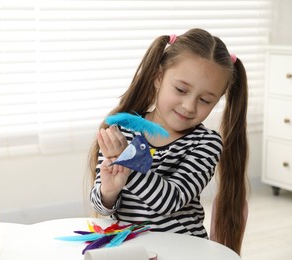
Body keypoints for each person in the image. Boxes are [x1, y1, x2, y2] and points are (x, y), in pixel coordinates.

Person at [88, 28, 248, 255]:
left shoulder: (206, 144)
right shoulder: (122, 132)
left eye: (204, 100)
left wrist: (129, 166)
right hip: (132, 251)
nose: (189, 106)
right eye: (181, 90)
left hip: (183, 251)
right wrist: (108, 191)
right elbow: (100, 207)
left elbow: (169, 201)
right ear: (158, 78)